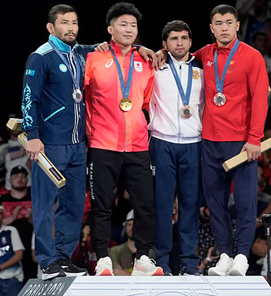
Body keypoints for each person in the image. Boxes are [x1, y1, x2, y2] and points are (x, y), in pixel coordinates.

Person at [83, 2, 162, 276]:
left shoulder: (146, 61)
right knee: (102, 205)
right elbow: (80, 99)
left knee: (145, 205)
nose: (129, 30)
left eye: (133, 25)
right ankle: (103, 258)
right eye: (122, 24)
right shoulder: (93, 58)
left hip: (139, 146)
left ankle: (143, 258)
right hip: (103, 145)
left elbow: (146, 102)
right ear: (110, 29)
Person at [192, 5, 268, 276]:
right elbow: (182, 56)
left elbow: (260, 98)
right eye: (218, 23)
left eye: (228, 22)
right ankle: (224, 253)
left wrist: (255, 137)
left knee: (246, 202)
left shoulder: (252, 56)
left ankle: (242, 256)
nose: (224, 27)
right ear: (211, 28)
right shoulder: (204, 54)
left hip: (241, 143)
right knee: (215, 203)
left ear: (237, 26)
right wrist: (161, 51)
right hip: (210, 141)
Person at [21, 4, 93, 280]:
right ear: (51, 27)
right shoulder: (41, 56)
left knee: (74, 204)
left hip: (77, 144)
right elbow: (29, 97)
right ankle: (47, 260)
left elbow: (106, 46)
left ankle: (63, 257)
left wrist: (143, 49)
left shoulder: (81, 54)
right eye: (65, 23)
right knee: (44, 203)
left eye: (75, 22)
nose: (71, 27)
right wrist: (33, 135)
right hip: (49, 144)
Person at [147, 20, 204, 276]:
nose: (179, 43)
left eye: (183, 38)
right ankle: (162, 261)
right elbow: (134, 52)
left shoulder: (203, 68)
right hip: (163, 143)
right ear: (164, 44)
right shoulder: (155, 66)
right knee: (162, 204)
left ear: (191, 42)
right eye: (173, 39)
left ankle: (189, 263)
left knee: (190, 205)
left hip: (194, 144)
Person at [0, 165, 36, 282]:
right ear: (10, 180)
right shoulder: (1, 200)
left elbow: (47, 224)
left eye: (23, 176)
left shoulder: (35, 198)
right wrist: (13, 217)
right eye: (16, 176)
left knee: (31, 279)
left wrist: (30, 219)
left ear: (27, 180)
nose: (20, 179)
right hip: (8, 248)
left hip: (31, 245)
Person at [109, 210, 155, 276]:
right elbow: (116, 272)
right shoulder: (115, 251)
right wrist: (138, 276)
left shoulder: (150, 252)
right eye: (129, 225)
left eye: (135, 225)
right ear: (125, 228)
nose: (132, 228)